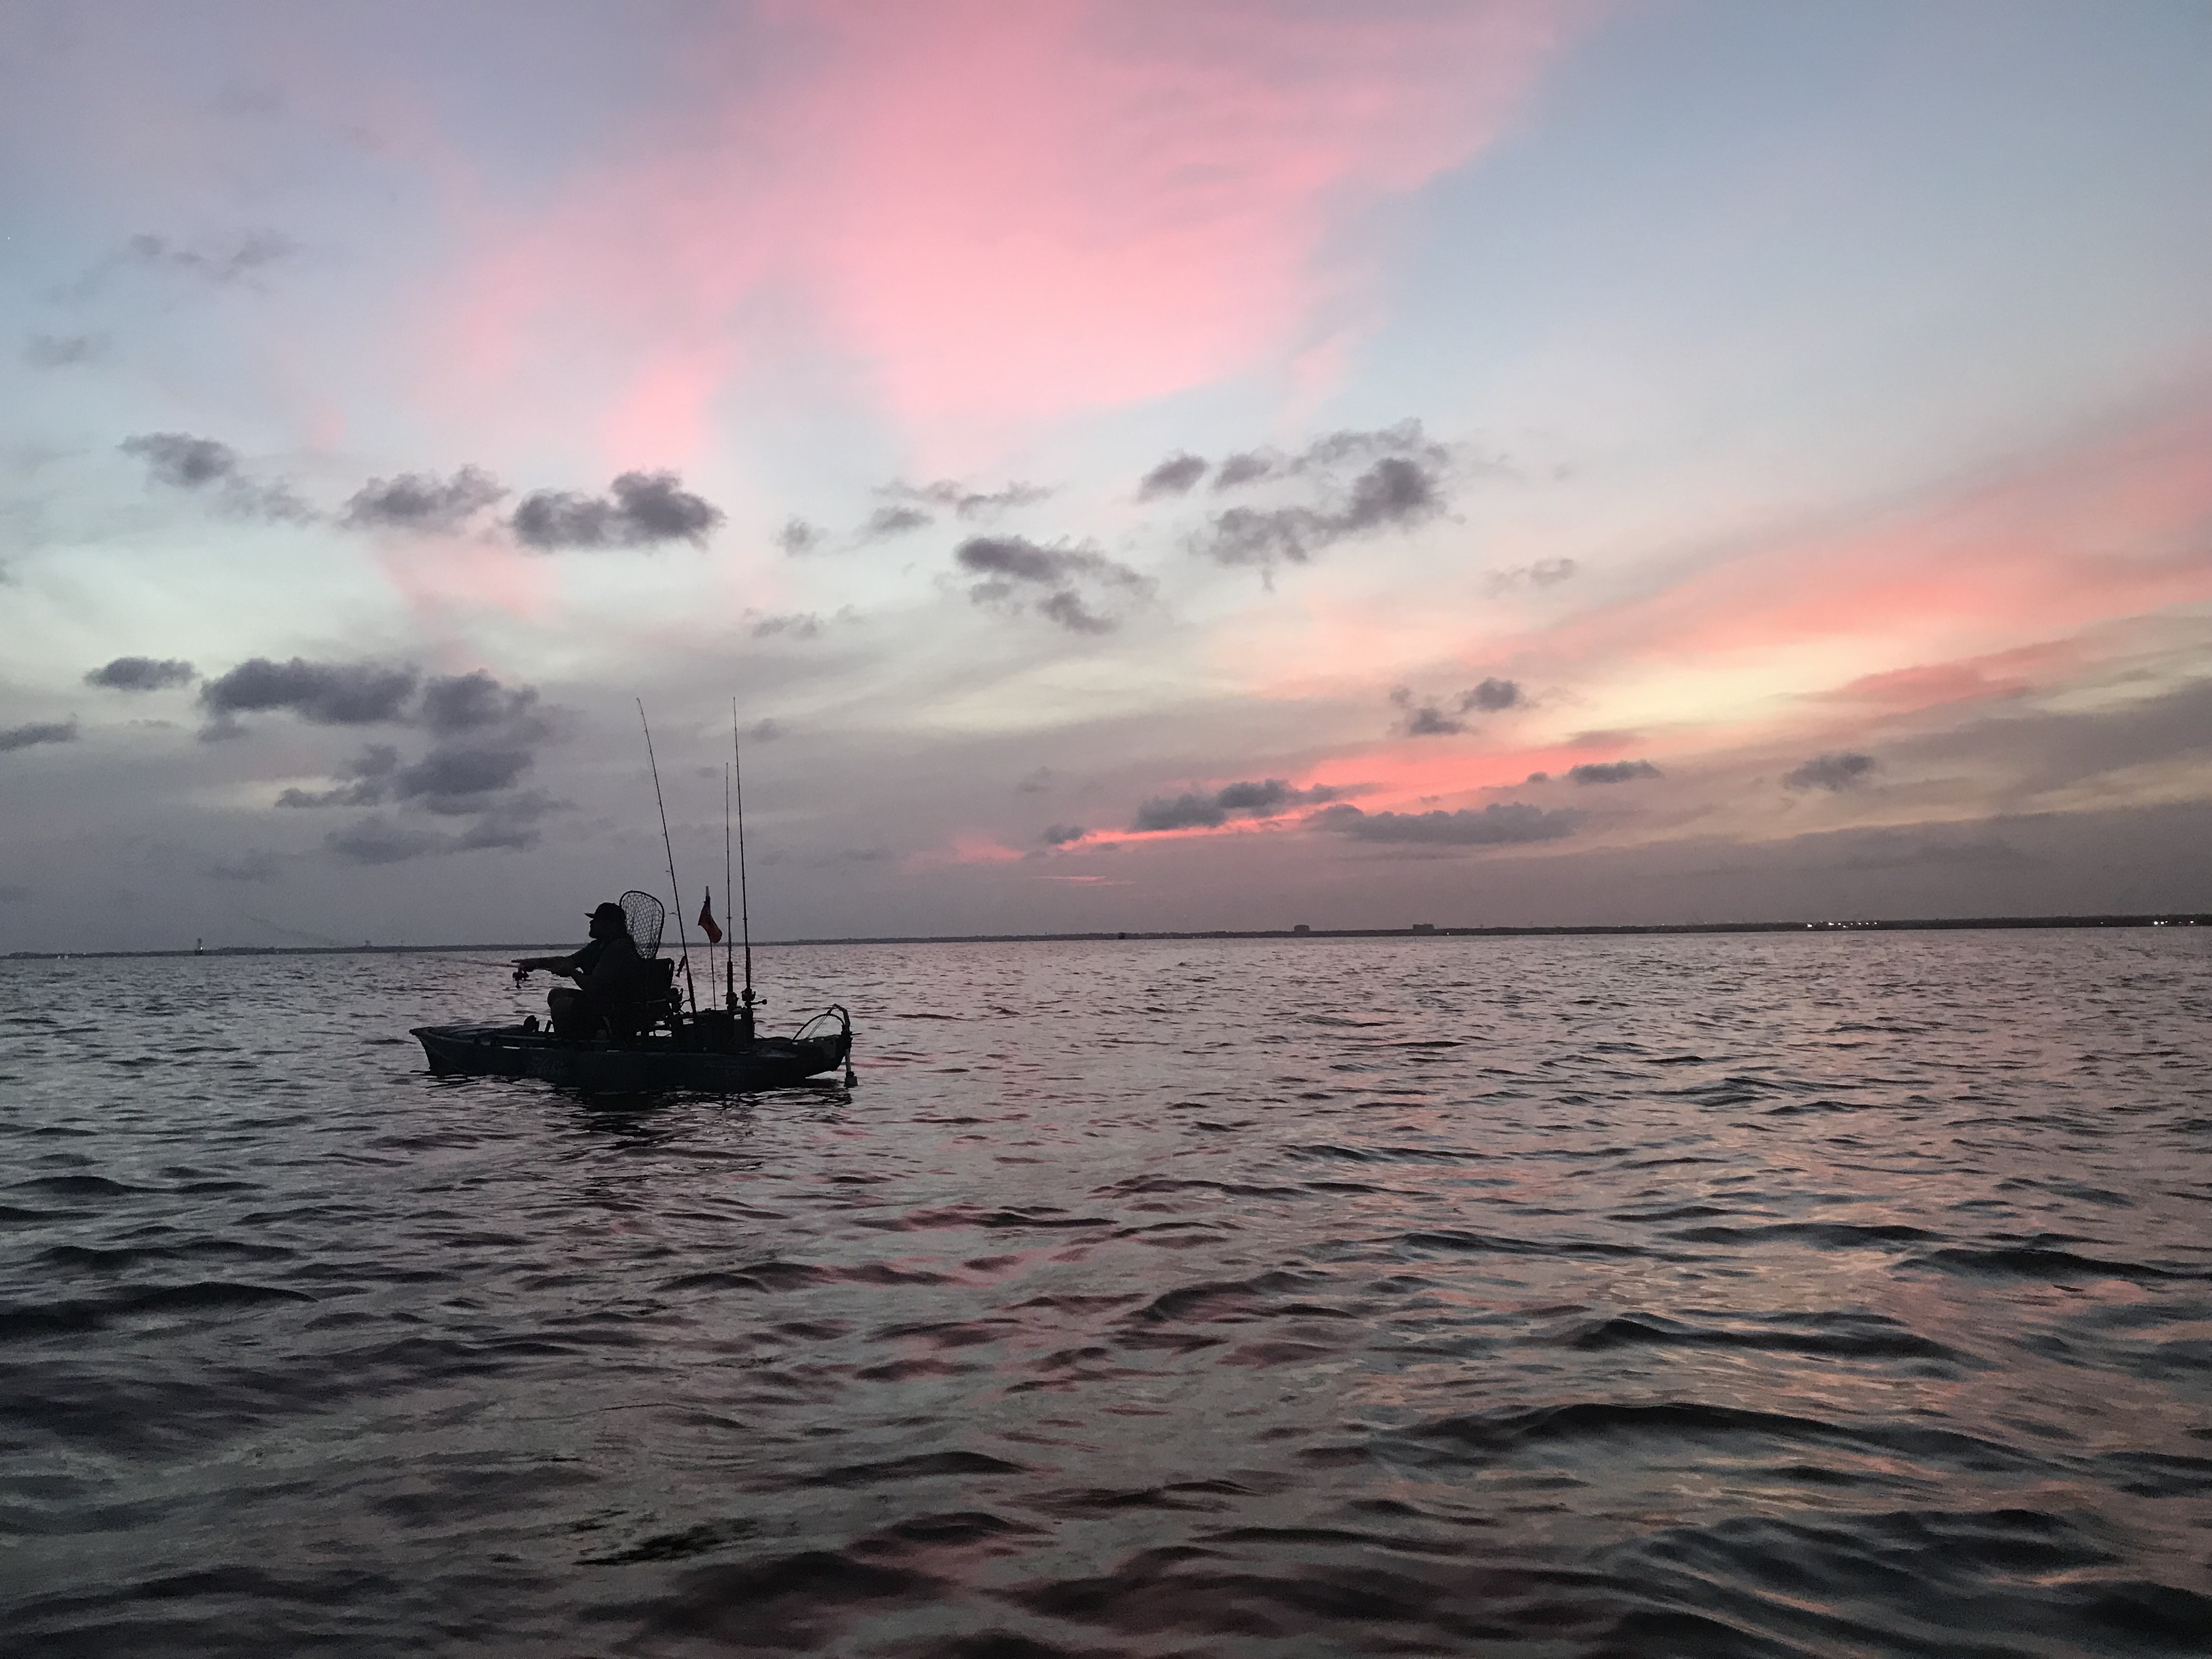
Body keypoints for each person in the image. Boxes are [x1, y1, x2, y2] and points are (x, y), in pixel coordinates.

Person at [513, 902, 649, 1037]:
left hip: (617, 1011)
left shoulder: (619, 948)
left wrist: (572, 972)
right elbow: (569, 961)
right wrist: (536, 963)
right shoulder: (596, 946)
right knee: (556, 995)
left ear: (610, 925)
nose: (591, 923)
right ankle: (580, 1036)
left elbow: (593, 986)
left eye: (596, 920)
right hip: (601, 1003)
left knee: (561, 1006)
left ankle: (572, 1045)